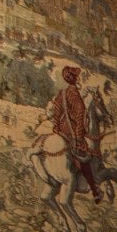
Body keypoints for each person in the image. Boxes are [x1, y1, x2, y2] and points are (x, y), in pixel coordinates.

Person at [47, 65, 101, 198]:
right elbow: (79, 116)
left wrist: (57, 126)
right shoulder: (75, 94)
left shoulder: (62, 93)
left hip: (63, 130)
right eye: (76, 77)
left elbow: (56, 109)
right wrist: (79, 137)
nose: (77, 78)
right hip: (73, 131)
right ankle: (94, 190)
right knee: (85, 157)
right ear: (74, 79)